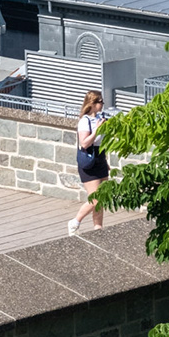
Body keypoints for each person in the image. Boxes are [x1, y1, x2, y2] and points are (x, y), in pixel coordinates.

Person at [68, 90, 109, 237]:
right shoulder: (85, 121)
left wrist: (106, 160)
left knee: (102, 198)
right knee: (95, 198)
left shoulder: (100, 118)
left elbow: (103, 142)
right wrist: (97, 130)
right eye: (100, 102)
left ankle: (98, 228)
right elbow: (84, 143)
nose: (102, 105)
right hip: (89, 160)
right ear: (92, 103)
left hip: (100, 158)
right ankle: (75, 221)